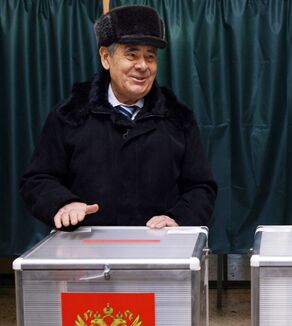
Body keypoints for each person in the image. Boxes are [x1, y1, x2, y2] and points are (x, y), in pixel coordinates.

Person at [20, 5, 217, 230]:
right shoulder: (69, 115)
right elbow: (37, 180)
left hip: (160, 253)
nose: (142, 66)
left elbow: (201, 187)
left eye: (150, 56)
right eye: (131, 54)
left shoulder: (178, 119)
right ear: (106, 57)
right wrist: (63, 203)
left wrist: (178, 218)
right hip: (85, 253)